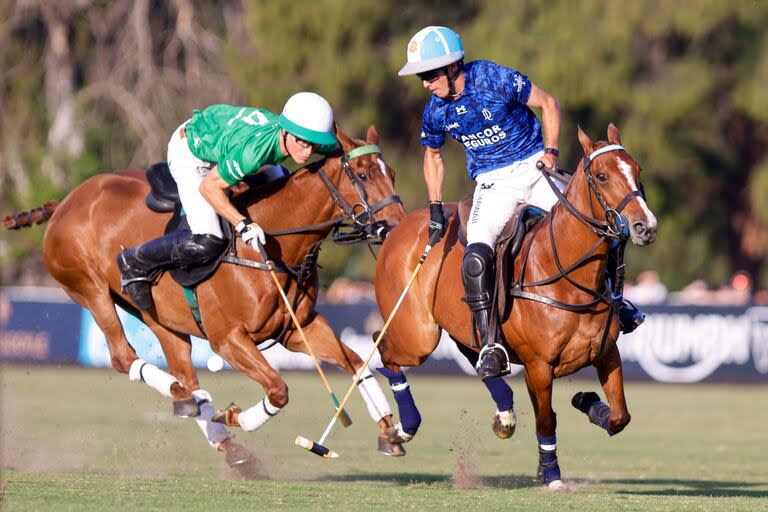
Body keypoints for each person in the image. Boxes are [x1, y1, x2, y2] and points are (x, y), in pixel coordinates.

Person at [398, 26, 644, 381]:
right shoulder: (436, 110)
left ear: (453, 67)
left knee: (600, 226)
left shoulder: (494, 78)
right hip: (494, 183)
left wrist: (551, 150)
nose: (425, 83)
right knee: (477, 252)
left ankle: (617, 305)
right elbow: (432, 155)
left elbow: (548, 104)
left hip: (534, 168)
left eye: (429, 74)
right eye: (422, 76)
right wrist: (435, 207)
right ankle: (491, 344)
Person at [117, 92, 338, 310]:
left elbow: (343, 149)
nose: (308, 151)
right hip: (192, 151)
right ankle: (135, 261)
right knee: (208, 240)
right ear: (286, 132)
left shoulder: (300, 135)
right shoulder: (252, 153)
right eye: (302, 142)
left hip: (225, 136)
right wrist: (243, 223)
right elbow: (209, 187)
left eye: (314, 144)